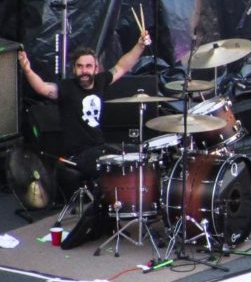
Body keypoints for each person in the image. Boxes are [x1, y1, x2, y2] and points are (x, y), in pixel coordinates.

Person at [18, 31, 151, 178]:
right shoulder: (67, 88)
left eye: (88, 66)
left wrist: (140, 46)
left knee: (137, 152)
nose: (84, 71)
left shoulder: (100, 81)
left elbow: (121, 67)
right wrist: (27, 69)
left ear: (96, 68)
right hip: (78, 154)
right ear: (74, 69)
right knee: (108, 165)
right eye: (80, 66)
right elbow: (42, 88)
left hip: (100, 147)